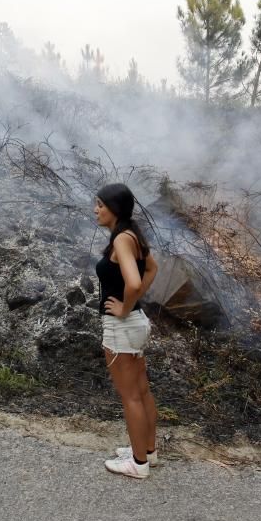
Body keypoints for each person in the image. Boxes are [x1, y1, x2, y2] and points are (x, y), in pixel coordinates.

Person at [95, 183, 159, 479]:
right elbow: (152, 269)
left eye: (100, 205)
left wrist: (124, 306)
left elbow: (133, 282)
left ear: (115, 209)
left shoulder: (122, 239)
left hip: (122, 326)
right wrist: (133, 305)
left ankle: (138, 464)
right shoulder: (133, 236)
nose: (96, 210)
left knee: (130, 396)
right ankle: (148, 451)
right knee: (142, 390)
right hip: (137, 323)